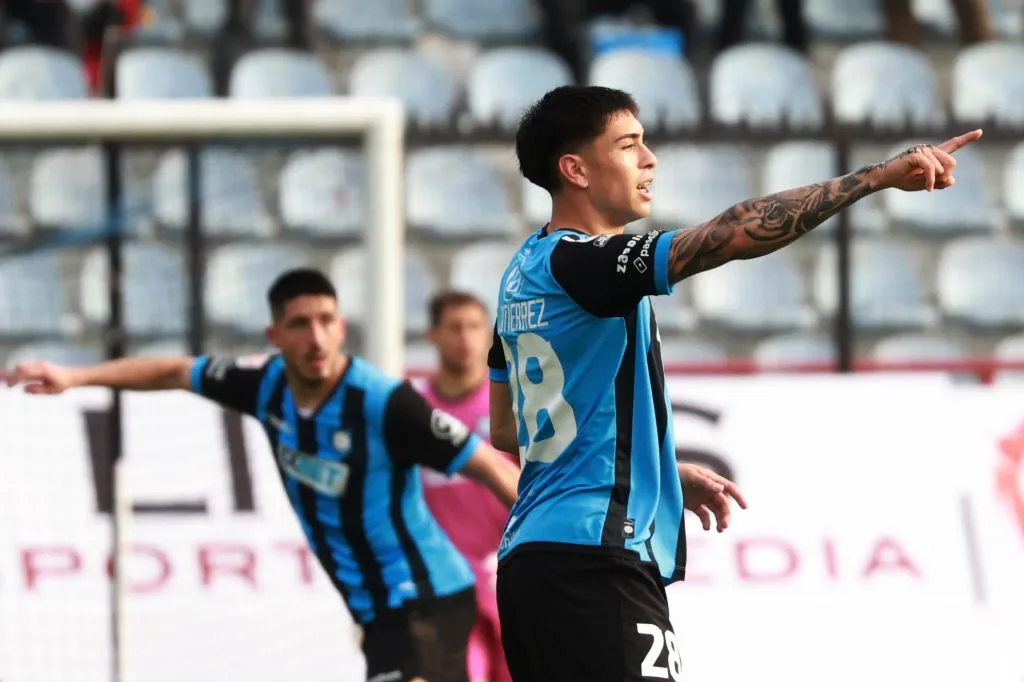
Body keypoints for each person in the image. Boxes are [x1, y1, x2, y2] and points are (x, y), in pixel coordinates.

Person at [488, 84, 982, 682]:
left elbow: (509, 426)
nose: (650, 160)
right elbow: (733, 233)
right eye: (629, 145)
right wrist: (874, 179)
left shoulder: (522, 275)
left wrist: (655, 469)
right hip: (596, 560)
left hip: (532, 563)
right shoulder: (588, 263)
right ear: (575, 169)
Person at [7, 268, 520, 682]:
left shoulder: (386, 403)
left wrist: (553, 547)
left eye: (326, 320)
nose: (316, 337)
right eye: (300, 324)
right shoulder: (263, 385)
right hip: (375, 607)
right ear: (275, 335)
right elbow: (171, 371)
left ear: (341, 327)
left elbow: (493, 466)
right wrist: (75, 376)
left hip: (424, 595)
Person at [415, 291, 516, 682]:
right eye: (455, 327)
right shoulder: (413, 411)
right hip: (444, 585)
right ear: (432, 335)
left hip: (512, 580)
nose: (466, 338)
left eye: (475, 327)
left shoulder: (513, 409)